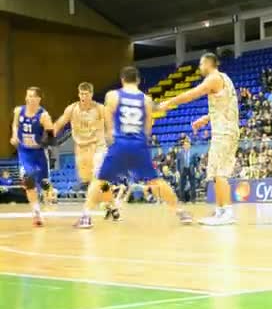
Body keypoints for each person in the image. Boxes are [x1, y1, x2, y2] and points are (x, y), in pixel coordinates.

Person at [75, 66, 191, 228]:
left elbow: (109, 124)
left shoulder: (113, 95)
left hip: (120, 143)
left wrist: (112, 143)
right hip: (138, 145)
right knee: (156, 181)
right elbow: (148, 129)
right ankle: (180, 212)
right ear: (138, 80)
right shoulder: (146, 100)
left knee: (100, 180)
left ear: (122, 79)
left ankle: (86, 217)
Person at [159, 53, 239, 226]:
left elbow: (192, 94)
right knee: (215, 173)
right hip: (224, 130)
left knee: (220, 173)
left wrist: (169, 102)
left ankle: (227, 212)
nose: (199, 67)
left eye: (201, 64)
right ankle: (220, 211)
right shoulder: (225, 78)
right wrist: (206, 118)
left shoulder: (213, 78)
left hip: (225, 132)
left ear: (207, 63)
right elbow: (226, 106)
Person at [53, 82, 119, 220]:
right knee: (96, 183)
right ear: (78, 94)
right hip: (81, 150)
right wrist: (48, 135)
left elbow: (111, 127)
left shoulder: (100, 109)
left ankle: (86, 214)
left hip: (98, 147)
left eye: (86, 94)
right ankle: (112, 206)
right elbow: (59, 123)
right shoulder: (72, 109)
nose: (83, 96)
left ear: (91, 94)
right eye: (81, 94)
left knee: (97, 178)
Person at [10, 87, 55, 226]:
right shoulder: (19, 111)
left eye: (31, 96)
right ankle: (36, 213)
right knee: (28, 181)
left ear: (38, 99)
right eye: (27, 95)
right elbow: (15, 124)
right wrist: (14, 135)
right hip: (24, 151)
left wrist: (45, 141)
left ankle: (49, 191)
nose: (28, 98)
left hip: (39, 153)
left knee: (43, 182)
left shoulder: (43, 116)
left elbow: (51, 137)